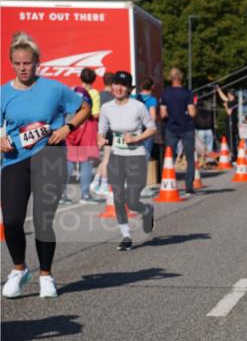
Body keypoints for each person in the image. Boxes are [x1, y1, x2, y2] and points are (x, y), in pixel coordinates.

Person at [1, 32, 91, 298]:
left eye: (27, 63)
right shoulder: (4, 92)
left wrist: (67, 127)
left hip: (49, 156)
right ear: (11, 63)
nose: (22, 68)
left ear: (37, 62)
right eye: (17, 63)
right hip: (14, 160)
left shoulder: (54, 88)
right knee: (13, 220)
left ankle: (46, 275)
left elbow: (84, 108)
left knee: (43, 219)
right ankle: (19, 270)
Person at [98, 71, 156, 251]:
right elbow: (102, 130)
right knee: (117, 197)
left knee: (131, 201)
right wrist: (100, 139)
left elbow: (152, 129)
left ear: (130, 89)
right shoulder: (106, 108)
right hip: (116, 156)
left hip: (136, 157)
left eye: (123, 85)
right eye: (116, 84)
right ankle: (126, 235)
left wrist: (136, 139)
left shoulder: (138, 106)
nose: (118, 88)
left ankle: (146, 210)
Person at [62, 68, 101, 204]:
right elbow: (95, 114)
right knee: (86, 162)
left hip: (72, 128)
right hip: (87, 128)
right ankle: (85, 195)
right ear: (94, 79)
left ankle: (62, 195)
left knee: (69, 161)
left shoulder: (73, 90)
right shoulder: (94, 93)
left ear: (81, 78)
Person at [160, 68, 197, 194]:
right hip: (187, 128)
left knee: (169, 156)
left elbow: (163, 113)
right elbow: (192, 113)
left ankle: (168, 182)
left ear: (170, 78)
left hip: (171, 128)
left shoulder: (165, 93)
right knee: (190, 158)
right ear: (181, 78)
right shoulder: (188, 93)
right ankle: (189, 186)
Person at [134, 78, 160, 197]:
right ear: (152, 87)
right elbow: (153, 117)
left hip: (135, 130)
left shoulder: (135, 97)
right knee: (145, 158)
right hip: (146, 132)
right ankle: (142, 187)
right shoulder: (152, 100)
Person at [193, 95, 215, 169]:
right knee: (209, 148)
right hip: (209, 130)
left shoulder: (197, 111)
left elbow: (195, 120)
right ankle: (209, 162)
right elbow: (212, 121)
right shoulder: (209, 111)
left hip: (200, 131)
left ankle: (202, 162)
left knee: (201, 149)